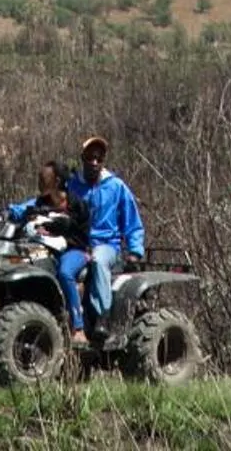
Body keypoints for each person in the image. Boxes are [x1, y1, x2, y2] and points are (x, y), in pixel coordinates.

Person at [64, 134, 145, 342]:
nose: (94, 162)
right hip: (78, 245)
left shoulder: (115, 186)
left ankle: (103, 317)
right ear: (82, 158)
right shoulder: (73, 186)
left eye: (99, 159)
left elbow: (133, 223)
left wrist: (135, 252)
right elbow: (49, 201)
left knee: (99, 261)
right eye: (90, 157)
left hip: (107, 245)